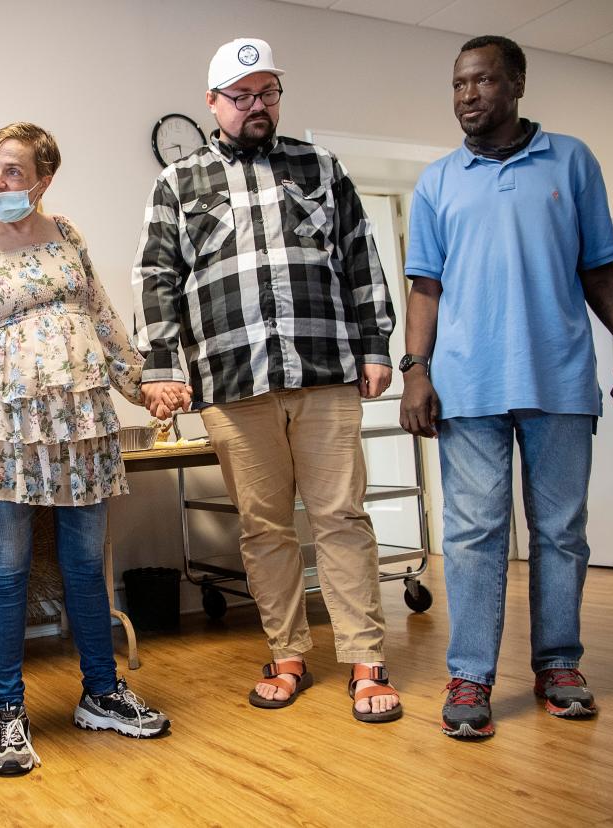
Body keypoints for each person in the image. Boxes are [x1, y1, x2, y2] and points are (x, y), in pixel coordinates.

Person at [131, 38, 403, 723]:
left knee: (342, 516)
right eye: (243, 96)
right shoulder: (179, 183)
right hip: (233, 379)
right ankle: (287, 654)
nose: (258, 107)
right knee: (264, 527)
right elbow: (156, 279)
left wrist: (376, 344)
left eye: (269, 93)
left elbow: (361, 259)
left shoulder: (320, 167)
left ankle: (366, 660)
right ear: (213, 102)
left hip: (325, 370)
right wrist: (162, 367)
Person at [400, 35, 613, 740]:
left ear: (515, 85)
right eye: (458, 84)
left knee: (559, 533)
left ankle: (559, 665)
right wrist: (415, 369)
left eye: (482, 82)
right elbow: (426, 285)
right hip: (467, 384)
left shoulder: (571, 161)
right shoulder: (438, 182)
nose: (467, 96)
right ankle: (471, 674)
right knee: (475, 532)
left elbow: (598, 267)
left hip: (559, 378)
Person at [0, 121, 172, 777]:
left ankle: (102, 693)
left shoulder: (68, 236)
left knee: (87, 566)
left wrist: (143, 387)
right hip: (5, 433)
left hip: (83, 427)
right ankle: (9, 716)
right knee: (6, 575)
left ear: (43, 180)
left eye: (12, 171)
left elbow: (102, 317)